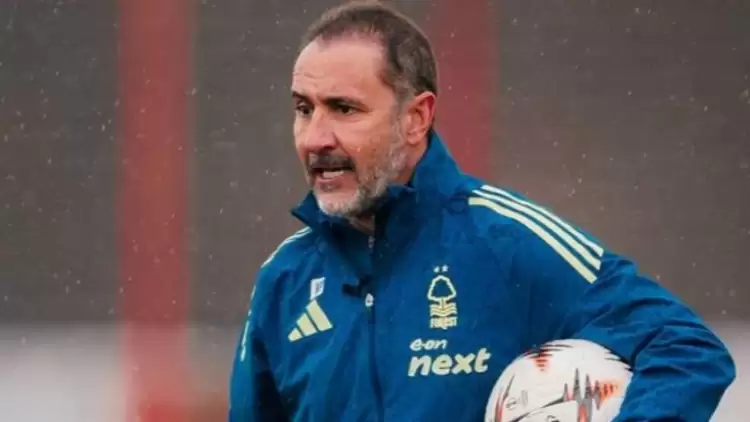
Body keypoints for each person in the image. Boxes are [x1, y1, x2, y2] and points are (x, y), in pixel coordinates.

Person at [228, 1, 736, 421]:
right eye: (303, 109)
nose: (315, 137)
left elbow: (685, 350)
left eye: (344, 109)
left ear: (416, 118)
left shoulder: (507, 243)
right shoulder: (284, 280)